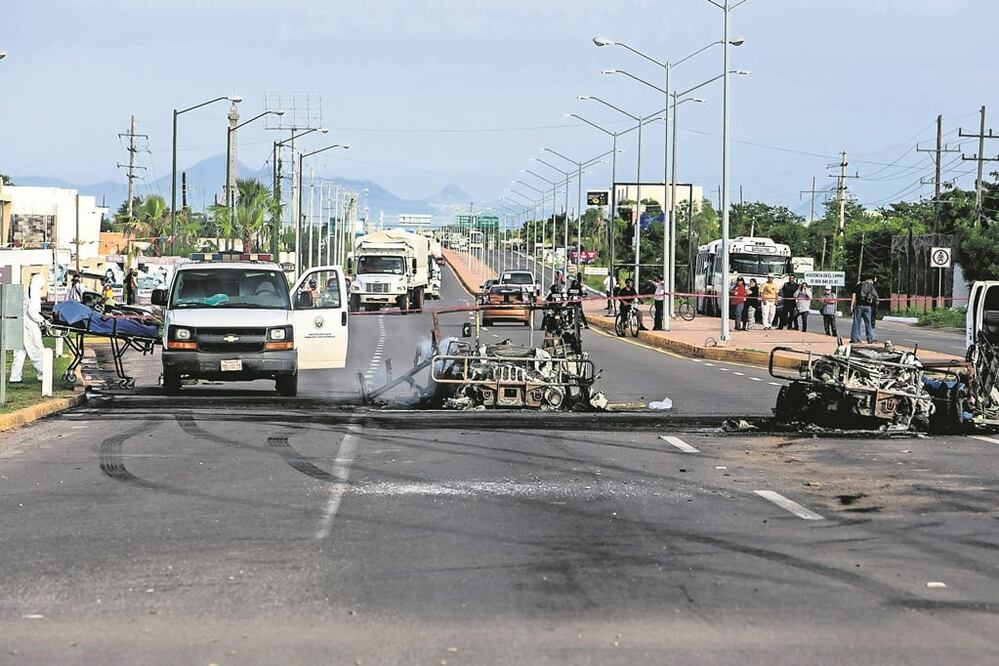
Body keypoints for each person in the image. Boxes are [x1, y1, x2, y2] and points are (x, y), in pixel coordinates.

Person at [10, 274, 45, 384]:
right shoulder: (35, 294)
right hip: (29, 325)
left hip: (20, 323)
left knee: (20, 351)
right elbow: (32, 312)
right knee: (36, 349)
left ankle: (15, 377)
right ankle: (43, 373)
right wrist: (43, 320)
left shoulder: (27, 291)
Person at [850, 275, 879, 343]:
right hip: (868, 307)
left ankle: (855, 338)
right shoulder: (871, 286)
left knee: (856, 322)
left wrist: (852, 305)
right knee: (868, 323)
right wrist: (875, 306)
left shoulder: (858, 285)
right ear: (870, 280)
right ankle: (870, 338)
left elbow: (854, 295)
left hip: (859, 306)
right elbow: (876, 297)